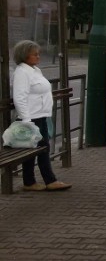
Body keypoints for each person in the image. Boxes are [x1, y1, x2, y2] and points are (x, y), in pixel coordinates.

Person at [11, 40, 72, 192]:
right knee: (41, 148)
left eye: (38, 54)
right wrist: (26, 120)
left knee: (37, 149)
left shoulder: (34, 70)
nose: (38, 57)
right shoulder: (22, 72)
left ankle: (30, 181)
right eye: (35, 55)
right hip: (31, 118)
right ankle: (49, 180)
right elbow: (20, 97)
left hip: (40, 116)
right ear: (25, 56)